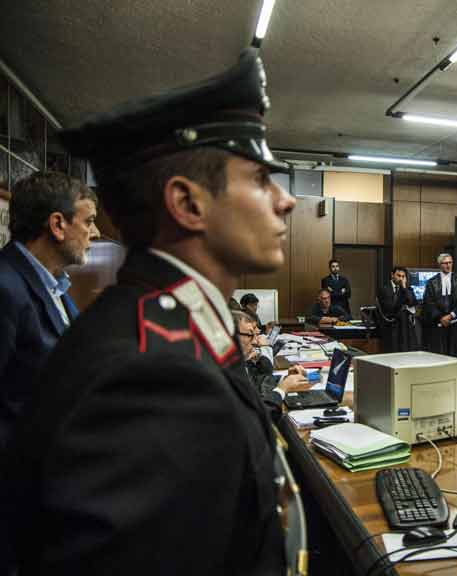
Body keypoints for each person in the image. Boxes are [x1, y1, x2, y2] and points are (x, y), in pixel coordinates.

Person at [2, 49, 298, 574]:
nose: (285, 200)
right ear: (187, 204)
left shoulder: (173, 317)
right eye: (259, 178)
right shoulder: (153, 373)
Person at [0, 171, 99, 457]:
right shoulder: (5, 287)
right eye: (88, 221)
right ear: (57, 225)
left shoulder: (56, 287)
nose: (95, 233)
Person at [234, 309, 308, 404]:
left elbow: (258, 382)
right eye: (250, 334)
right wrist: (281, 390)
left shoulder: (242, 362)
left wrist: (286, 379)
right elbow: (256, 410)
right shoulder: (224, 376)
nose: (255, 341)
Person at [422, 253, 457, 356]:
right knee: (439, 354)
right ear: (440, 264)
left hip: (456, 323)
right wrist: (440, 317)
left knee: (454, 353)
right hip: (438, 323)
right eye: (445, 263)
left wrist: (451, 315)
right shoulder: (431, 282)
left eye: (450, 262)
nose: (448, 265)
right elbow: (429, 303)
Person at [376, 266, 418, 352]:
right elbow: (391, 308)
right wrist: (403, 295)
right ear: (392, 275)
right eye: (398, 276)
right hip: (391, 327)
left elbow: (412, 302)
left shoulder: (407, 288)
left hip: (405, 327)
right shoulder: (384, 289)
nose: (401, 279)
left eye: (403, 276)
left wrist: (404, 289)